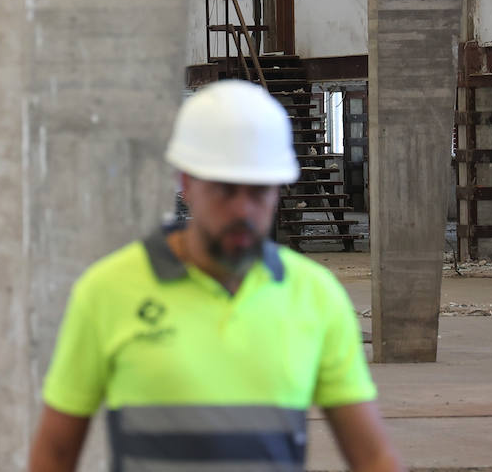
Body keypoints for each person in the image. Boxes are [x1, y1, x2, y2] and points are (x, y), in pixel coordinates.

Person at [28, 80, 403, 472]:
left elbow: (373, 457)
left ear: (278, 191)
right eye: (225, 190)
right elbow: (54, 454)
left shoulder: (315, 296)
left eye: (258, 191)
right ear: (186, 184)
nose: (242, 209)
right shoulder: (107, 292)